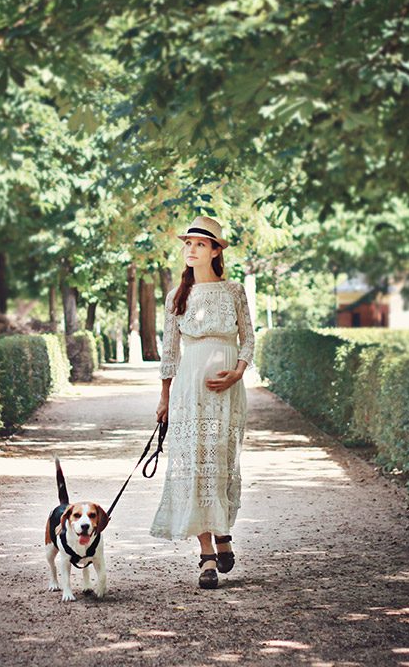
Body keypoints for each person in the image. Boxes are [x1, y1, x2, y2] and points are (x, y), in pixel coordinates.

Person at [149, 215, 254, 590]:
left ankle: (222, 532)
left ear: (214, 251)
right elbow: (170, 354)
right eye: (187, 244)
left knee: (220, 461)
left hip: (227, 392)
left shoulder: (234, 291)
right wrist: (164, 397)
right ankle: (207, 553)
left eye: (199, 244)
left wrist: (238, 372)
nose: (190, 249)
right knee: (194, 464)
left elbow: (248, 340)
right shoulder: (176, 298)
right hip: (188, 392)